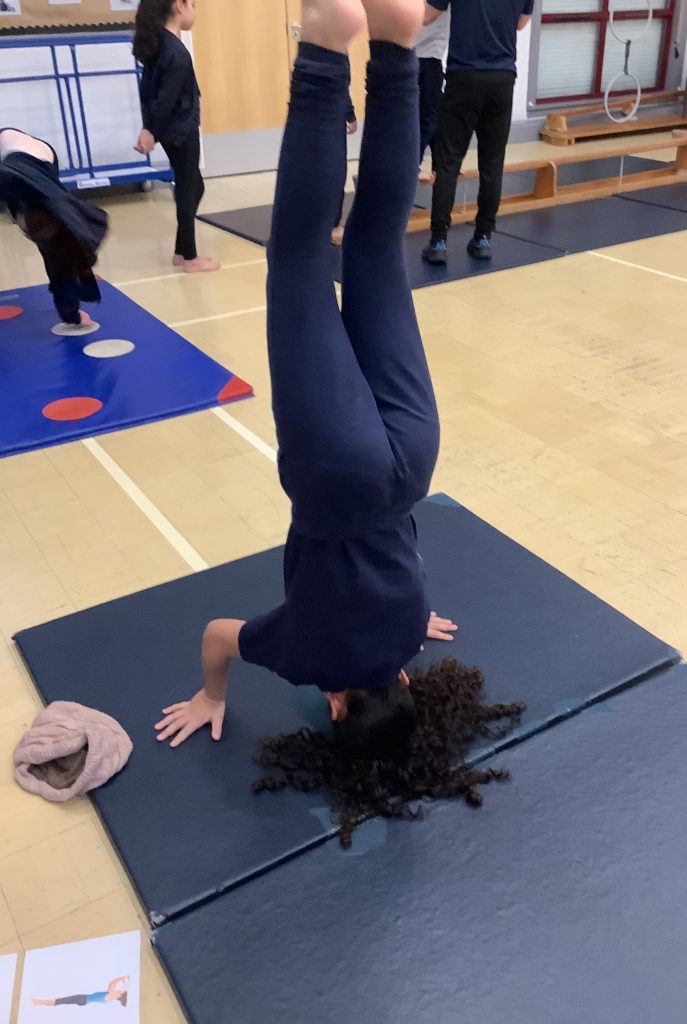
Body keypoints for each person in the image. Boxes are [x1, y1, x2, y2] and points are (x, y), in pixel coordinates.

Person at [155, 0, 460, 760]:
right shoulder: (307, 657)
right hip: (338, 477)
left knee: (376, 245)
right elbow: (218, 637)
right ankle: (325, 43)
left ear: (405, 683)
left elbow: (399, 595)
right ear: (335, 710)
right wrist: (211, 695)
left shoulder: (408, 633)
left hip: (414, 464)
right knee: (297, 259)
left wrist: (408, 629)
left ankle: (397, 43)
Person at [421, 0, 534, 264]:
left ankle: (438, 241)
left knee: (448, 163)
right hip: (502, 78)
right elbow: (521, 23)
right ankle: (483, 237)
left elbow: (427, 16)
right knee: (492, 164)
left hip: (464, 76)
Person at [133, 0, 219, 273]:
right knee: (188, 186)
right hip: (181, 129)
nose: (194, 10)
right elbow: (166, 98)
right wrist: (151, 131)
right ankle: (190, 257)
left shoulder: (162, 46)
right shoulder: (177, 53)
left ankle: (182, 251)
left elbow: (148, 92)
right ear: (179, 7)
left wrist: (150, 127)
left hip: (173, 129)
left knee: (194, 186)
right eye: (192, 4)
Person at [0, 128, 108, 331]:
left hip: (39, 161)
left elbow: (59, 263)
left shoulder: (46, 211)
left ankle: (70, 306)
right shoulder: (12, 185)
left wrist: (72, 314)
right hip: (20, 157)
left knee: (58, 251)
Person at [415, 12, 450, 183]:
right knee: (427, 118)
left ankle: (441, 163)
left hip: (425, 59)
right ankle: (414, 165)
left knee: (438, 115)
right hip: (427, 60)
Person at [331, 91, 358, 246]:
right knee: (335, 170)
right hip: (332, 115)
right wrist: (350, 114)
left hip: (305, 115)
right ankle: (333, 225)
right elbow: (339, 85)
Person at [32, 976, 130, 1008]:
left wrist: (123, 978)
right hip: (83, 1000)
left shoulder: (111, 996)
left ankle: (37, 1002)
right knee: (60, 1001)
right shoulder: (110, 997)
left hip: (82, 999)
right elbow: (111, 985)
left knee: (59, 1001)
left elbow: (112, 983)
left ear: (120, 995)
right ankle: (38, 1002)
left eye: (121, 991)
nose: (120, 989)